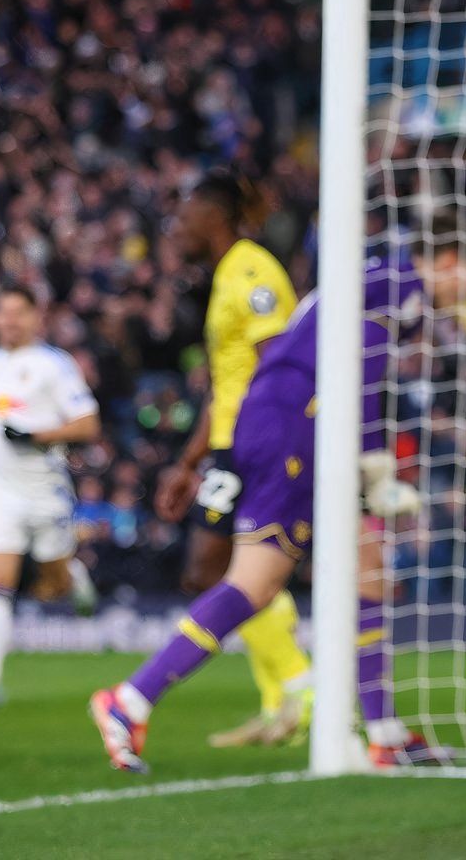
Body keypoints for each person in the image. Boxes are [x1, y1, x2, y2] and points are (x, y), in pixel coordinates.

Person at [90, 236, 466, 773]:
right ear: (452, 261)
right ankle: (130, 699)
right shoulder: (401, 287)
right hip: (297, 423)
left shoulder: (367, 277)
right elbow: (358, 372)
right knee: (253, 583)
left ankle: (384, 733)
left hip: (287, 421)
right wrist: (372, 462)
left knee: (368, 572)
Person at [153, 170, 312, 747]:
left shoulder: (252, 271)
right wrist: (187, 461)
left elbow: (283, 366)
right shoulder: (225, 277)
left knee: (214, 570)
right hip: (230, 444)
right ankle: (285, 703)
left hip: (258, 445)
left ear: (213, 217)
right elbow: (226, 384)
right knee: (224, 569)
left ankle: (299, 687)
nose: (175, 227)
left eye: (184, 216)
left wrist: (275, 444)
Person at [0, 285, 102, 706]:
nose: (9, 321)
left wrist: (37, 436)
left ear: (34, 317)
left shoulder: (54, 365)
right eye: (2, 313)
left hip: (45, 489)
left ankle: (74, 575)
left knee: (53, 584)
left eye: (17, 313)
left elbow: (88, 425)